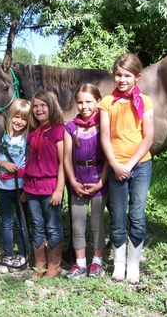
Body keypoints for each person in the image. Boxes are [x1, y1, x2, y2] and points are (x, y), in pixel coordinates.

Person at [99, 53, 154, 284]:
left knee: (137, 215)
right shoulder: (106, 103)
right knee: (118, 217)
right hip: (116, 167)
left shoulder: (146, 102)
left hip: (140, 166)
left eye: (127, 75)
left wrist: (130, 165)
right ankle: (119, 263)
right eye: (118, 75)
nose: (122, 79)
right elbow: (105, 138)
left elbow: (149, 137)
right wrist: (115, 164)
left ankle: (133, 264)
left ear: (137, 77)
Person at [64, 84, 108, 279]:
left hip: (99, 179)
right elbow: (66, 158)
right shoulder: (70, 127)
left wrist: (101, 181)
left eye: (89, 101)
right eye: (80, 102)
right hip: (78, 180)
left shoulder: (104, 125)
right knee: (78, 223)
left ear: (98, 101)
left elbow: (108, 156)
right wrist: (72, 182)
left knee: (97, 223)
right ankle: (80, 263)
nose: (84, 106)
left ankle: (97, 261)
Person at [22, 90, 65, 279]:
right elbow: (29, 161)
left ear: (52, 106)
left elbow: (64, 162)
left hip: (50, 187)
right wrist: (25, 188)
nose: (39, 109)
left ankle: (54, 265)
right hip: (32, 188)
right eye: (36, 106)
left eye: (43, 105)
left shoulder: (58, 130)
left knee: (53, 227)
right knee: (37, 226)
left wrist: (59, 189)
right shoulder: (32, 133)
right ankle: (40, 264)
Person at [0, 99, 31, 274]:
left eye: (24, 119)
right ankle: (8, 256)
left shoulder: (28, 138)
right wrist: (2, 163)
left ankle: (25, 254)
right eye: (16, 117)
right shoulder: (1, 137)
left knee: (22, 222)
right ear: (10, 116)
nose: (19, 121)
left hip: (22, 188)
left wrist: (27, 189)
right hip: (4, 186)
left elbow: (32, 163)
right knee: (6, 223)